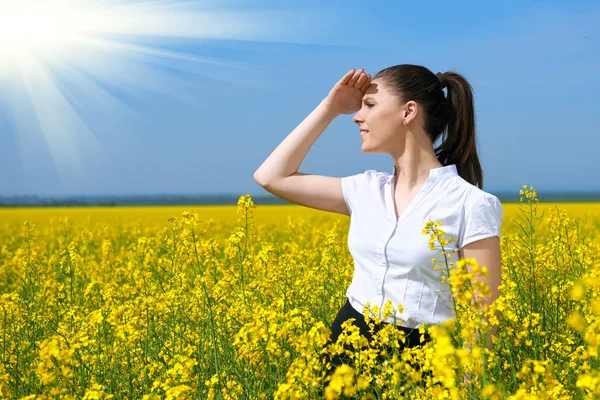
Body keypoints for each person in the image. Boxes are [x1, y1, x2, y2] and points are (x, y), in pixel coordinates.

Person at [253, 65, 503, 386]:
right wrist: (329, 108)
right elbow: (271, 177)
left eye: (369, 105)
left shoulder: (470, 204)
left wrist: (468, 385)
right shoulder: (365, 190)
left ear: (408, 111)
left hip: (425, 361)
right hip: (346, 345)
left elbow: (485, 318)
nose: (357, 116)